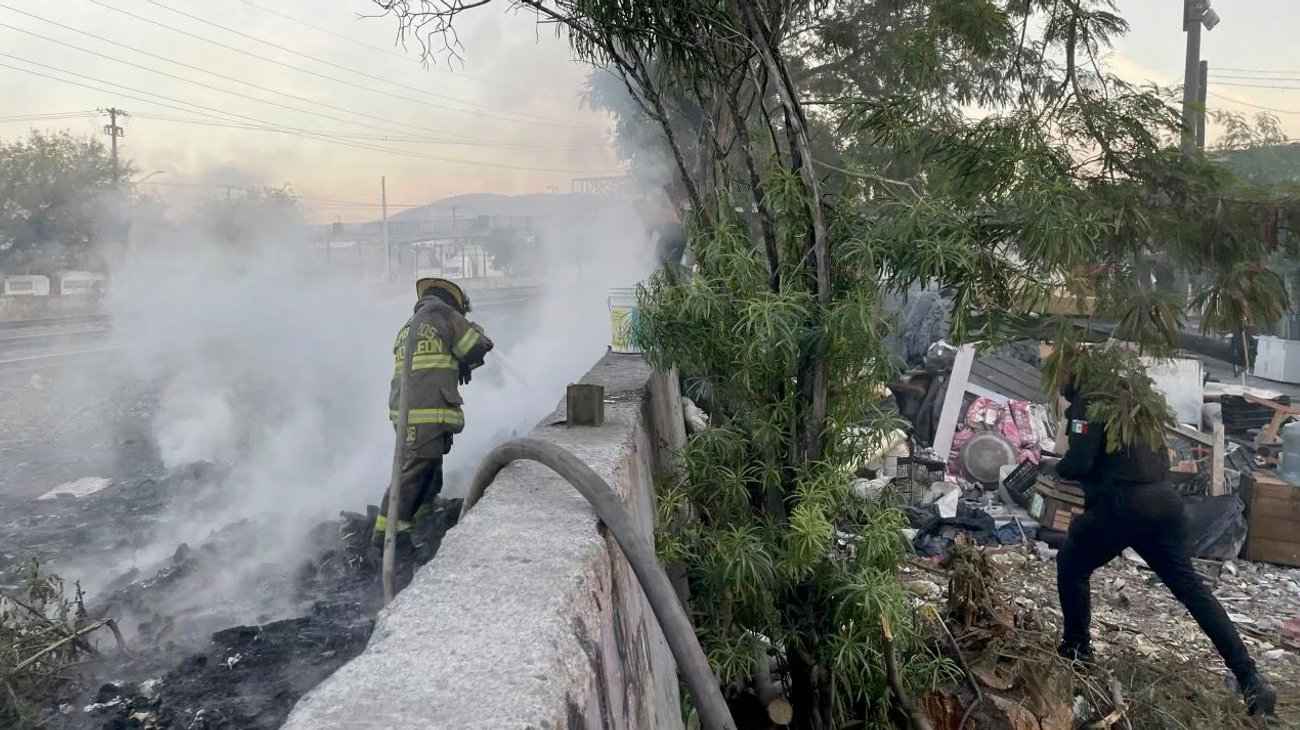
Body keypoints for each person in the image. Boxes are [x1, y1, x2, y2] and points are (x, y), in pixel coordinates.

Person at [1047, 368, 1276, 718]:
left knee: (1072, 565)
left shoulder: (1089, 402)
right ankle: (1250, 678)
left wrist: (1055, 467)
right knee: (1191, 589)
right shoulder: (1137, 399)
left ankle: (1077, 651)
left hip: (1123, 506)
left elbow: (1080, 461)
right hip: (1165, 504)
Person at [373, 277, 493, 547]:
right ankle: (387, 538)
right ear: (456, 304)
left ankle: (424, 514)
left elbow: (435, 362)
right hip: (426, 412)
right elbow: (474, 347)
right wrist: (477, 331)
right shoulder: (446, 316)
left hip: (406, 411)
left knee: (428, 463)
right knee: (413, 471)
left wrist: (459, 364)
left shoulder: (410, 327)